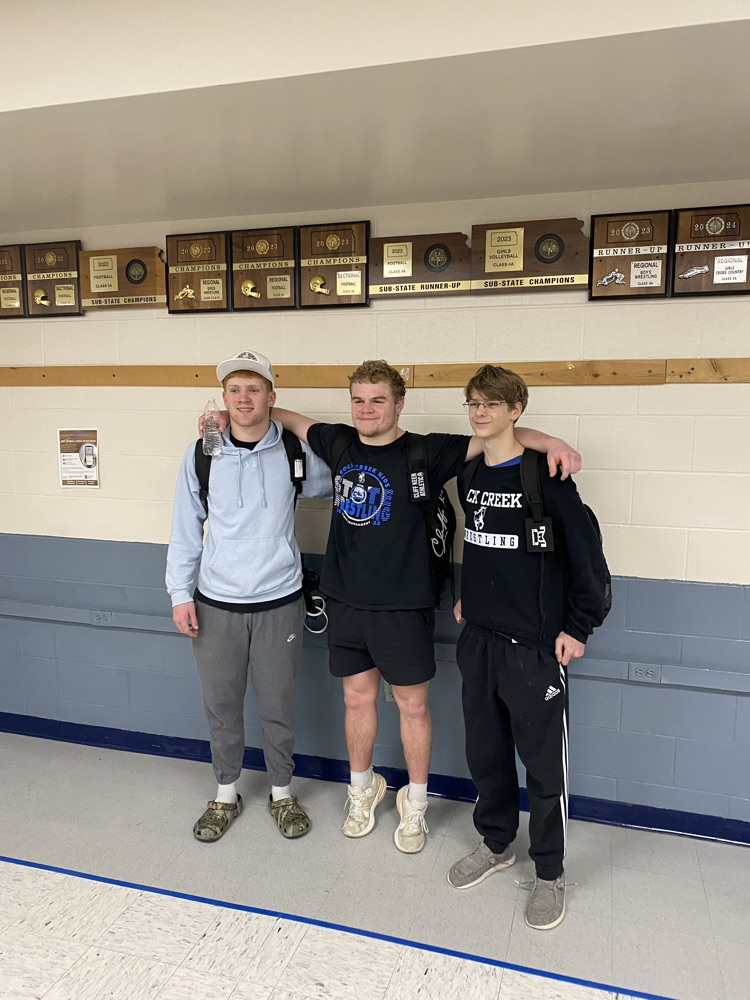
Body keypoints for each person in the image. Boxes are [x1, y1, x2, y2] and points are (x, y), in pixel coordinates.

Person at [269, 360, 581, 854]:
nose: (366, 409)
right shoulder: (338, 441)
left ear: (398, 403)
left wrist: (555, 444)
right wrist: (254, 408)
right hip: (346, 602)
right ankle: (361, 788)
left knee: (412, 706)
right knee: (356, 700)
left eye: (377, 400)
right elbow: (292, 420)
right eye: (358, 400)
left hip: (405, 607)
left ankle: (415, 804)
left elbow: (503, 438)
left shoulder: (429, 450)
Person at [447, 364, 607, 929]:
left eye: (492, 403)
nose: (480, 412)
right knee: (485, 756)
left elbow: (589, 561)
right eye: (473, 403)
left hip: (536, 649)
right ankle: (496, 845)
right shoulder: (468, 474)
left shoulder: (548, 479)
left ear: (517, 409)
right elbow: (478, 543)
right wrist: (468, 596)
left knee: (542, 770)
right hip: (480, 642)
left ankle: (549, 872)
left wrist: (579, 628)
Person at [166, 350, 331, 843]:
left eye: (254, 389)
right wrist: (180, 593)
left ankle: (282, 794)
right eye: (234, 390)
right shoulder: (202, 453)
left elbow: (352, 463)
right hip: (216, 603)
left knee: (277, 705)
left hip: (281, 601)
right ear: (223, 398)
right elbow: (184, 528)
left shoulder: (295, 455)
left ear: (271, 397)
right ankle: (225, 794)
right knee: (222, 705)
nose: (243, 399)